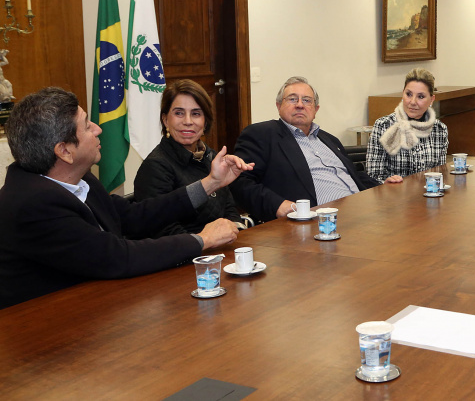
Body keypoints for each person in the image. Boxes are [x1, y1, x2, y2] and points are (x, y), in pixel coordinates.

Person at [0, 87, 250, 309]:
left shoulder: (80, 178)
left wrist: (211, 182)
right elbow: (116, 257)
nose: (98, 129)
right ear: (64, 151)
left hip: (96, 303)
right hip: (45, 326)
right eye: (87, 126)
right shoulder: (33, 204)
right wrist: (202, 240)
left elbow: (133, 216)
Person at [231, 76, 378, 222]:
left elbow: (353, 174)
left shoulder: (330, 139)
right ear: (278, 106)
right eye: (292, 99)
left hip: (364, 211)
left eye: (307, 100)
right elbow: (241, 182)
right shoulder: (261, 134)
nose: (300, 105)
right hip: (319, 222)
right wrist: (277, 205)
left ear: (316, 109)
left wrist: (383, 186)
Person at [134, 79, 248, 236]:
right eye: (179, 113)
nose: (187, 121)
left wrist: (237, 231)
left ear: (205, 122)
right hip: (188, 249)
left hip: (223, 245)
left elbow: (229, 209)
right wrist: (206, 241)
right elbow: (162, 229)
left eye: (196, 114)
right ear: (165, 120)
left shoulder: (212, 157)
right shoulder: (154, 167)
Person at [366, 68, 448, 184]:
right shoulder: (383, 126)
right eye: (408, 94)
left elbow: (439, 173)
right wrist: (385, 182)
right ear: (402, 93)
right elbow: (372, 176)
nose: (412, 102)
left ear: (431, 99)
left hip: (427, 192)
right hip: (394, 193)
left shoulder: (439, 130)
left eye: (420, 97)